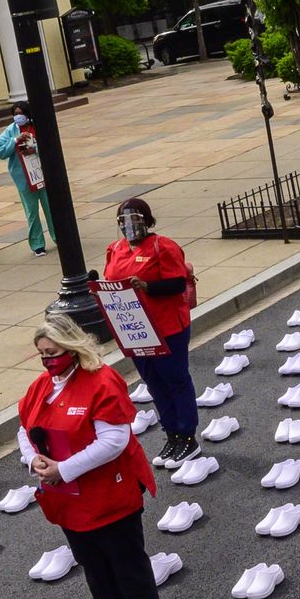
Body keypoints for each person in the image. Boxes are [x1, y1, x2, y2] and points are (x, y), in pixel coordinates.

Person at [16, 316, 165, 599]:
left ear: (71, 348)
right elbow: (24, 429)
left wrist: (62, 470)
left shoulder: (100, 382)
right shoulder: (42, 386)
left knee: (129, 569)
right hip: (70, 500)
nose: (47, 361)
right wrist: (33, 459)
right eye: (41, 354)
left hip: (109, 495)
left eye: (52, 353)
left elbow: (114, 441)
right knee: (95, 569)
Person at [100, 198, 199, 468]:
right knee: (154, 383)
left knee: (175, 379)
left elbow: (177, 284)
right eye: (123, 221)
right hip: (136, 331)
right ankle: (172, 433)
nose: (129, 227)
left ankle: (188, 436)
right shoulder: (115, 249)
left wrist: (145, 286)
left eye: (134, 220)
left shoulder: (163, 246)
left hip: (167, 327)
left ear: (147, 220)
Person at [0, 102, 57, 257]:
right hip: (24, 178)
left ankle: (59, 237)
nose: (18, 116)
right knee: (32, 212)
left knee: (51, 209)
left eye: (21, 113)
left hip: (42, 175)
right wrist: (15, 141)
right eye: (15, 113)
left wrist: (34, 149)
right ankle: (38, 245)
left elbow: (51, 144)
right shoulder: (10, 131)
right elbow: (1, 151)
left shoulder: (38, 126)